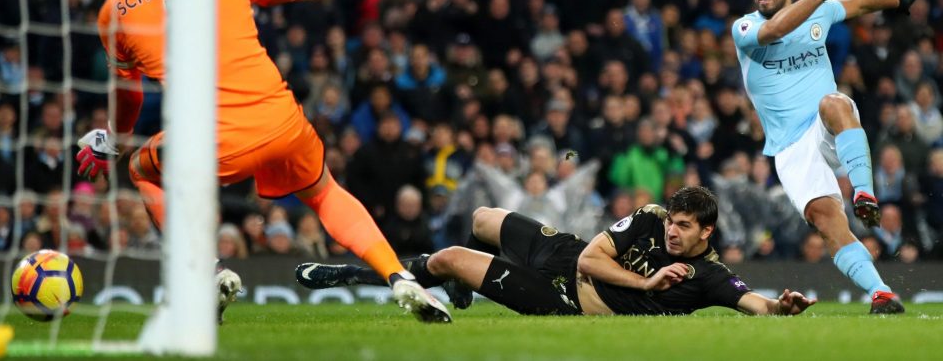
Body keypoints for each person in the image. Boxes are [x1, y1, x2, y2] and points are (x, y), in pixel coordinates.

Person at [74, 0, 450, 323]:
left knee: (142, 169)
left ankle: (206, 273)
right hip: (281, 119)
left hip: (212, 139)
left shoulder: (115, 10)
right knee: (325, 192)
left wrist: (112, 140)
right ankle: (397, 277)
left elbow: (129, 96)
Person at [296, 186, 816, 317]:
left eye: (684, 228)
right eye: (673, 223)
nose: (672, 233)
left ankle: (349, 273)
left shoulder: (708, 276)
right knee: (481, 219)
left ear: (707, 233)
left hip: (562, 296)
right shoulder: (654, 217)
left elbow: (754, 304)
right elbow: (592, 256)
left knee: (450, 255)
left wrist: (780, 307)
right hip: (568, 256)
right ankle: (459, 285)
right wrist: (646, 282)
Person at [731, 0, 917, 313]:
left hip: (825, 123)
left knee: (834, 102)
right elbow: (776, 29)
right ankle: (881, 293)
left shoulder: (821, 10)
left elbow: (860, 3)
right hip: (789, 146)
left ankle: (864, 193)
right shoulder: (744, 28)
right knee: (826, 220)